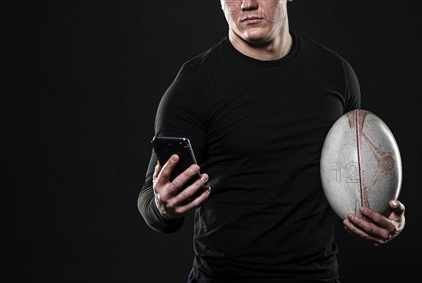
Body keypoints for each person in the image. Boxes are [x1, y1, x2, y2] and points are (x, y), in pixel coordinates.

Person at [137, 0, 406, 282]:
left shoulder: (336, 74)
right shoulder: (193, 86)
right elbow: (149, 198)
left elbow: (355, 175)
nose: (247, 4)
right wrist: (163, 207)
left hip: (316, 276)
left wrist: (387, 217)